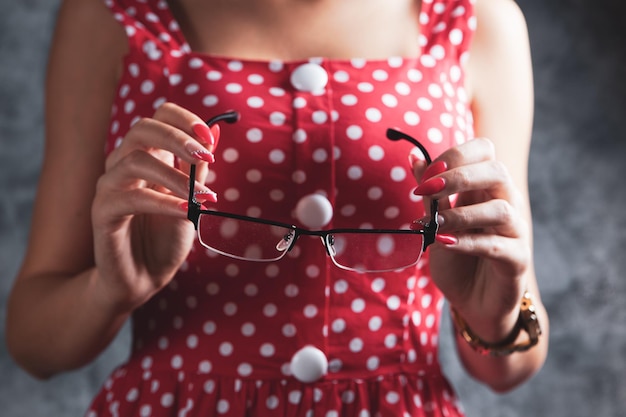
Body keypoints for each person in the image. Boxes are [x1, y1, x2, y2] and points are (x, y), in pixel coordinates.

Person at [6, 0, 549, 415]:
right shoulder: (114, 16)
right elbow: (34, 341)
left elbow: (511, 367)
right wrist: (111, 290)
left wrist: (493, 313)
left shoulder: (476, 20)